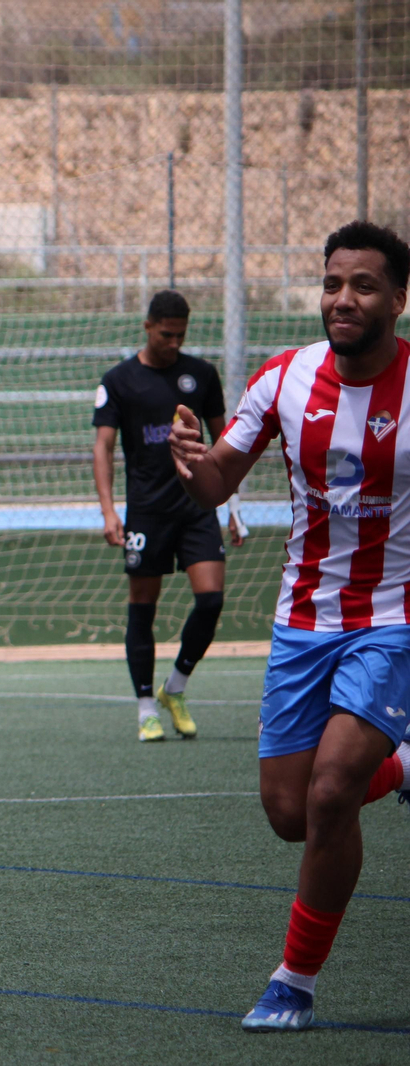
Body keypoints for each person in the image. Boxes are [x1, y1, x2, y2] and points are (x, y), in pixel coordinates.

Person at [168, 220, 410, 1033]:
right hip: (304, 619)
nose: (343, 300)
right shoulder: (283, 378)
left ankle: (292, 984)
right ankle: (404, 765)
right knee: (291, 813)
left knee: (335, 789)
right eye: (333, 283)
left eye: (365, 286)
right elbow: (214, 486)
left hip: (396, 617)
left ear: (399, 300)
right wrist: (194, 459)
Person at [93, 290, 244, 742]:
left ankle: (174, 687)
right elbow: (102, 447)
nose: (174, 341)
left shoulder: (200, 375)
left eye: (181, 334)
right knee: (143, 609)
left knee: (211, 600)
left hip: (197, 508)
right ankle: (145, 708)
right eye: (166, 333)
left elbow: (228, 442)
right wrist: (108, 512)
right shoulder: (119, 380)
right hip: (146, 511)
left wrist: (233, 506)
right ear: (147, 326)